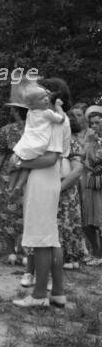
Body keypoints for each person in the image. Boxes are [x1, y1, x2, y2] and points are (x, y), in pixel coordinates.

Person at [12, 77, 72, 308]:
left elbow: (50, 157)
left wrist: (18, 164)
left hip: (43, 180)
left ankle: (38, 296)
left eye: (46, 92)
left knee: (41, 239)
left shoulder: (54, 121)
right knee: (50, 237)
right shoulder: (52, 119)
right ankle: (57, 292)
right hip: (46, 180)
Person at [0, 100, 28, 265]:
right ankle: (26, 252)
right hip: (30, 173)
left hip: (8, 174)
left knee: (7, 212)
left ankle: (11, 252)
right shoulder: (37, 129)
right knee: (26, 212)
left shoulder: (6, 130)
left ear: (16, 112)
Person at [9, 83, 66, 195]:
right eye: (42, 98)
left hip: (26, 143)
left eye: (46, 97)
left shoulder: (30, 112)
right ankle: (19, 185)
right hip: (39, 143)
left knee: (17, 163)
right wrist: (59, 107)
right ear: (33, 104)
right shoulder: (47, 113)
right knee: (27, 165)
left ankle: (11, 186)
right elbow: (61, 119)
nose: (46, 99)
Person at [57, 110, 86, 269]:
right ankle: (58, 256)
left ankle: (70, 257)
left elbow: (77, 169)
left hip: (66, 190)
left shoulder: (71, 144)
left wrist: (60, 188)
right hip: (55, 188)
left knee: (69, 221)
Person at [81, 105, 102, 265]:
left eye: (97, 122)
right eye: (92, 123)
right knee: (88, 221)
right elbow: (84, 159)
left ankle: (99, 255)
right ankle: (95, 252)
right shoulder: (89, 139)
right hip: (89, 182)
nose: (94, 126)